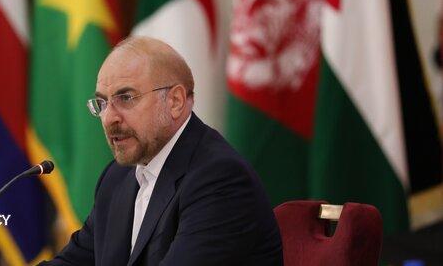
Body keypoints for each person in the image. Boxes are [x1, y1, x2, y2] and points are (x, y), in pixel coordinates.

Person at [42, 36, 283, 265]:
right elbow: (74, 261)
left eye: (126, 98)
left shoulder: (219, 179)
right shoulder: (116, 178)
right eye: (102, 103)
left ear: (175, 101)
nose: (109, 118)